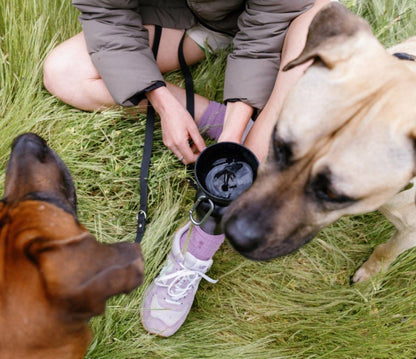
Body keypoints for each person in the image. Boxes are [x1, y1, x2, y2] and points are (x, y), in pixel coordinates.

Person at [43, 0, 331, 337]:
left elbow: (265, 31)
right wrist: (163, 103)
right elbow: (106, 12)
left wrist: (232, 137)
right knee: (63, 72)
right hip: (190, 19)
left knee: (322, 23)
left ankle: (201, 241)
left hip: (283, 23)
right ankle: (220, 120)